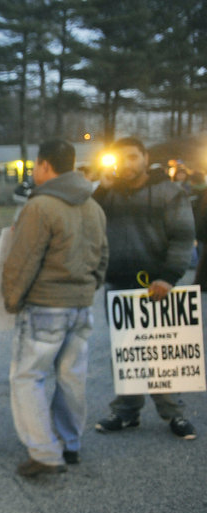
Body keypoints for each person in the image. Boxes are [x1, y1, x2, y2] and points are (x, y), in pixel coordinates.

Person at [2, 139, 108, 477]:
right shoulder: (94, 206)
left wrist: (11, 299)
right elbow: (103, 257)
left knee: (28, 377)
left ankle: (45, 453)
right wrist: (88, 287)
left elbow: (23, 261)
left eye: (36, 165)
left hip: (45, 305)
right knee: (71, 377)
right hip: (80, 306)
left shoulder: (41, 206)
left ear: (45, 165)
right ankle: (69, 444)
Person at [92, 137, 197, 440]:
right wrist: (102, 187)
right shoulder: (108, 193)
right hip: (119, 284)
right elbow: (89, 215)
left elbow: (182, 236)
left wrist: (169, 276)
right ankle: (126, 412)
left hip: (157, 285)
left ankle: (174, 414)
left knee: (161, 352)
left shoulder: (169, 192)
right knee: (124, 352)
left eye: (133, 157)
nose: (127, 164)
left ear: (145, 158)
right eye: (121, 158)